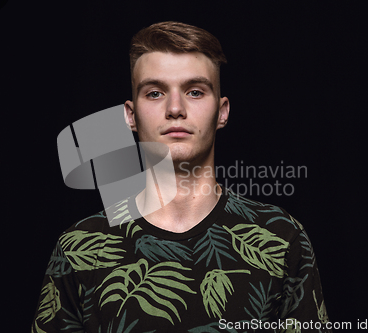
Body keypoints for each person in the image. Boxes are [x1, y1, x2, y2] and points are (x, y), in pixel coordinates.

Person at [32, 21, 331, 333]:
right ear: (131, 116)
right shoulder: (79, 248)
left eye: (195, 91)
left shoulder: (282, 238)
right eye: (156, 92)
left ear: (222, 111)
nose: (175, 108)